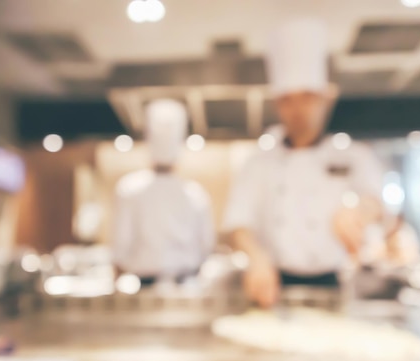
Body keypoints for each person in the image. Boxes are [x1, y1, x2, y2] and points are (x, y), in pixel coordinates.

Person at [223, 19, 384, 307]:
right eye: (288, 100)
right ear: (277, 103)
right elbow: (238, 222)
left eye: (307, 98)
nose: (298, 110)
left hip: (333, 283)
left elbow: (375, 202)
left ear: (325, 98)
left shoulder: (351, 155)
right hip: (273, 283)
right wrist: (256, 257)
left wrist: (358, 211)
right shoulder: (258, 162)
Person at [113, 99, 214, 286]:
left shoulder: (130, 189)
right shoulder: (195, 194)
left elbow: (121, 248)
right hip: (186, 286)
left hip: (145, 287)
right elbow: (206, 246)